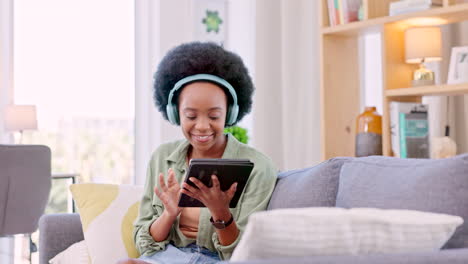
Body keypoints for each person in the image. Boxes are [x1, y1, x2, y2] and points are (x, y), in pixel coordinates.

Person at [118, 42, 277, 264]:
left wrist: (221, 213)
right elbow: (145, 245)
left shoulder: (259, 167)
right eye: (191, 116)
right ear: (175, 113)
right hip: (168, 257)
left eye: (214, 116)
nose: (202, 126)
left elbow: (244, 254)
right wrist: (169, 214)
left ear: (230, 113)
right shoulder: (162, 158)